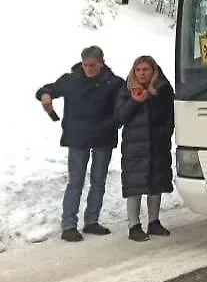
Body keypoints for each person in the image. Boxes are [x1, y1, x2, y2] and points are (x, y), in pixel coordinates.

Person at [36, 46, 124, 241]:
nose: (88, 69)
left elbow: (122, 108)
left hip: (103, 137)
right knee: (75, 181)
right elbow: (47, 89)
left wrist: (113, 124)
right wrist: (45, 95)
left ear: (101, 63)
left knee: (98, 181)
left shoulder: (115, 83)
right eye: (85, 65)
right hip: (77, 137)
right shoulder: (71, 80)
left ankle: (92, 221)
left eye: (93, 65)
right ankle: (68, 225)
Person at [115, 56, 175, 241]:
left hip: (158, 144)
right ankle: (133, 225)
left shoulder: (163, 89)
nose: (141, 73)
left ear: (153, 71)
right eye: (138, 70)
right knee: (135, 185)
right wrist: (135, 101)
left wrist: (165, 133)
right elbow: (120, 117)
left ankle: (154, 222)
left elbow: (170, 116)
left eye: (145, 70)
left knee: (156, 183)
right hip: (135, 146)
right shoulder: (126, 89)